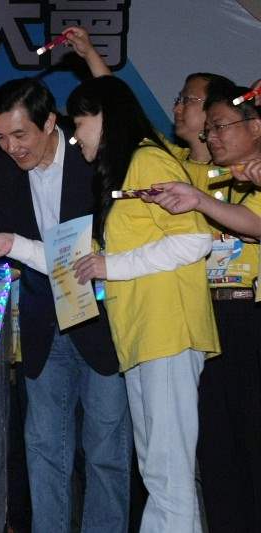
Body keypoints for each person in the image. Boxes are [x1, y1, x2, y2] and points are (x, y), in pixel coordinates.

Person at [0, 77, 131, 533]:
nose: (11, 148)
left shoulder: (92, 157)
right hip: (42, 323)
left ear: (50, 122)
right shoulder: (3, 169)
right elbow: (7, 241)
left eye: (20, 134)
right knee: (43, 448)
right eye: (1, 137)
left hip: (102, 321)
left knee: (106, 450)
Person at [60, 75, 220, 532]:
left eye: (79, 123)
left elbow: (194, 239)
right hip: (142, 338)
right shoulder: (127, 170)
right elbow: (93, 259)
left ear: (105, 118)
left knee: (167, 473)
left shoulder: (148, 160)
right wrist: (12, 243)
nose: (75, 137)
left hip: (166, 332)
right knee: (160, 472)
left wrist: (112, 265)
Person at [145, 81, 261, 533]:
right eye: (208, 128)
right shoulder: (204, 176)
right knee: (215, 443)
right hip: (208, 318)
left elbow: (253, 223)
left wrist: (200, 201)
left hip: (252, 315)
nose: (211, 136)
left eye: (221, 126)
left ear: (255, 126)